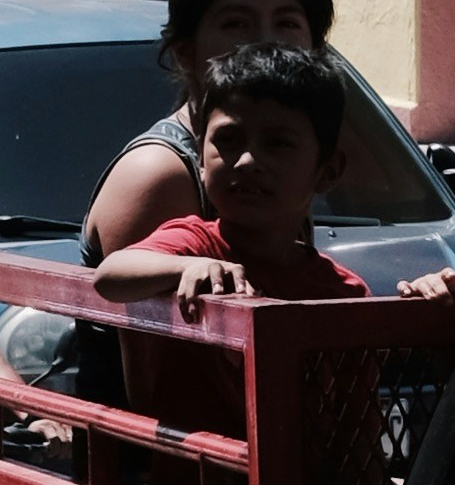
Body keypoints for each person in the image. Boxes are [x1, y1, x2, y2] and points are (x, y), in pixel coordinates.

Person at [80, 0, 337, 264]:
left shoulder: (298, 149)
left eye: (286, 23)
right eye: (236, 24)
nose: (265, 43)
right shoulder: (161, 175)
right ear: (186, 52)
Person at [97, 45, 371, 318]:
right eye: (228, 140)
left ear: (328, 171)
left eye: (277, 144)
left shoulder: (341, 292)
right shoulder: (195, 243)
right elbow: (111, 275)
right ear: (201, 159)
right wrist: (188, 267)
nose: (247, 162)